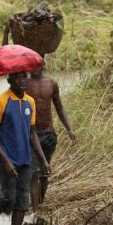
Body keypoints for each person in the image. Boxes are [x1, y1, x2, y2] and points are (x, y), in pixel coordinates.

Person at [0, 71, 50, 225]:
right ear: (9, 80)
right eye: (17, 78)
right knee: (8, 199)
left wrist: (43, 160)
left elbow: (32, 134)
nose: (22, 81)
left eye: (24, 77)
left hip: (26, 159)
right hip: (6, 159)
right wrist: (6, 161)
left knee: (22, 201)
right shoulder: (0, 101)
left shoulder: (29, 102)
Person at [26, 59, 78, 211]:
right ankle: (35, 211)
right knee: (33, 173)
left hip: (48, 134)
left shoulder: (51, 83)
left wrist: (69, 129)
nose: (34, 69)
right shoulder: (24, 84)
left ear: (43, 64)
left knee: (45, 171)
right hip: (31, 134)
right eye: (31, 65)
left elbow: (59, 108)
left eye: (37, 65)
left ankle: (40, 204)